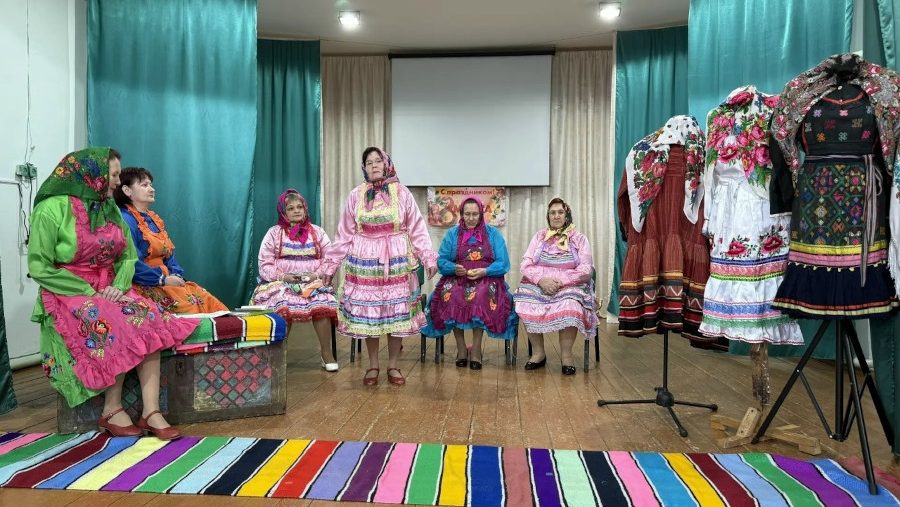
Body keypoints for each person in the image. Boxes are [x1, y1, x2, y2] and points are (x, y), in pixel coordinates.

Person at [29, 148, 199, 440]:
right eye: (114, 174)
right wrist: (88, 290)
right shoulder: (51, 209)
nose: (118, 181)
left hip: (109, 286)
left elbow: (128, 257)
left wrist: (118, 287)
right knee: (111, 319)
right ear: (91, 174)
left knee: (149, 315)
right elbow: (39, 267)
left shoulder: (108, 207)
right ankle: (111, 409)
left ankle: (151, 411)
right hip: (68, 289)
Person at [318, 147, 437, 386]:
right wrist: (330, 266)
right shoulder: (356, 195)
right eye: (369, 162)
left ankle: (393, 365)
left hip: (397, 260)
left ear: (386, 164)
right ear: (364, 168)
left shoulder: (402, 193)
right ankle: (373, 365)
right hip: (364, 261)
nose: (373, 165)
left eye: (378, 161)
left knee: (395, 313)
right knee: (369, 315)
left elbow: (417, 227)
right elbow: (344, 234)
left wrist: (428, 257)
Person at [114, 167, 228, 314]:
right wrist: (162, 279)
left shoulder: (153, 219)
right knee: (187, 307)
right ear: (127, 190)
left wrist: (176, 275)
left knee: (206, 299)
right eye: (144, 185)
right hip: (145, 283)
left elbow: (170, 256)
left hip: (166, 281)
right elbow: (131, 262)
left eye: (151, 185)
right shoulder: (125, 219)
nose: (152, 189)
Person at [422, 197, 517, 369]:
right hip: (457, 277)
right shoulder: (452, 234)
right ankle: (461, 348)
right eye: (467, 214)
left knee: (480, 296)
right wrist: (453, 268)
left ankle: (476, 350)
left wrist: (485, 271)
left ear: (481, 214)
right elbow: (441, 261)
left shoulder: (493, 234)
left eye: (475, 214)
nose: (471, 218)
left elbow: (503, 262)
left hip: (487, 278)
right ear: (461, 214)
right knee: (450, 295)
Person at [251, 189, 339, 371]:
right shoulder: (274, 233)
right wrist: (284, 277)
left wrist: (316, 275)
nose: (296, 211)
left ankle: (326, 352)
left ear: (305, 209)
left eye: (300, 207)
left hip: (312, 280)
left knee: (323, 300)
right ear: (283, 212)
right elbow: (264, 263)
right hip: (282, 282)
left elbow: (330, 259)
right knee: (282, 302)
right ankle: (278, 354)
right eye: (290, 208)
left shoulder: (318, 232)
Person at [514, 198, 596, 375]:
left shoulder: (579, 238)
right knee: (524, 300)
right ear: (548, 216)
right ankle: (538, 353)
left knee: (571, 304)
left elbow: (586, 269)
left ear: (567, 215)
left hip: (570, 283)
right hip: (540, 282)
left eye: (560, 212)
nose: (556, 216)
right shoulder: (539, 236)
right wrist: (541, 280)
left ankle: (566, 356)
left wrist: (560, 282)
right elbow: (526, 264)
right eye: (553, 213)